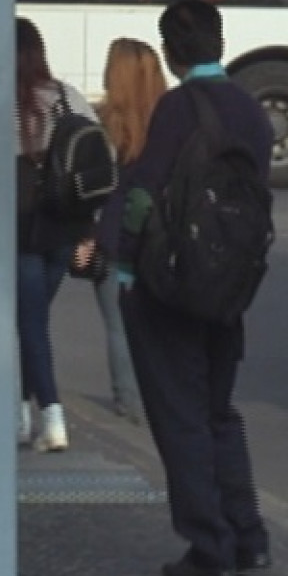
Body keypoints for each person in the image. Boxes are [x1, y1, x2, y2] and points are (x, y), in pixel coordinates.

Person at [89, 0, 273, 576]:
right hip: (231, 282)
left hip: (171, 283)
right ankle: (248, 536)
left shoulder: (177, 108)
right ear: (220, 42)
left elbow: (144, 193)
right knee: (219, 412)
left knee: (180, 416)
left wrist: (121, 265)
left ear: (170, 52)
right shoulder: (250, 108)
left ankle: (209, 547)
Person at [16, 18, 98, 453]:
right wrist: (89, 229)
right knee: (31, 320)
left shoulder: (1, 103)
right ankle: (20, 412)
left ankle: (51, 416)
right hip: (66, 228)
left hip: (23, 230)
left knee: (30, 323)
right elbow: (102, 159)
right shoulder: (69, 98)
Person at [82, 37, 164, 424]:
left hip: (112, 237)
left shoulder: (102, 124)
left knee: (118, 325)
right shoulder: (168, 122)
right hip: (158, 237)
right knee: (156, 324)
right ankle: (157, 395)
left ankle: (128, 399)